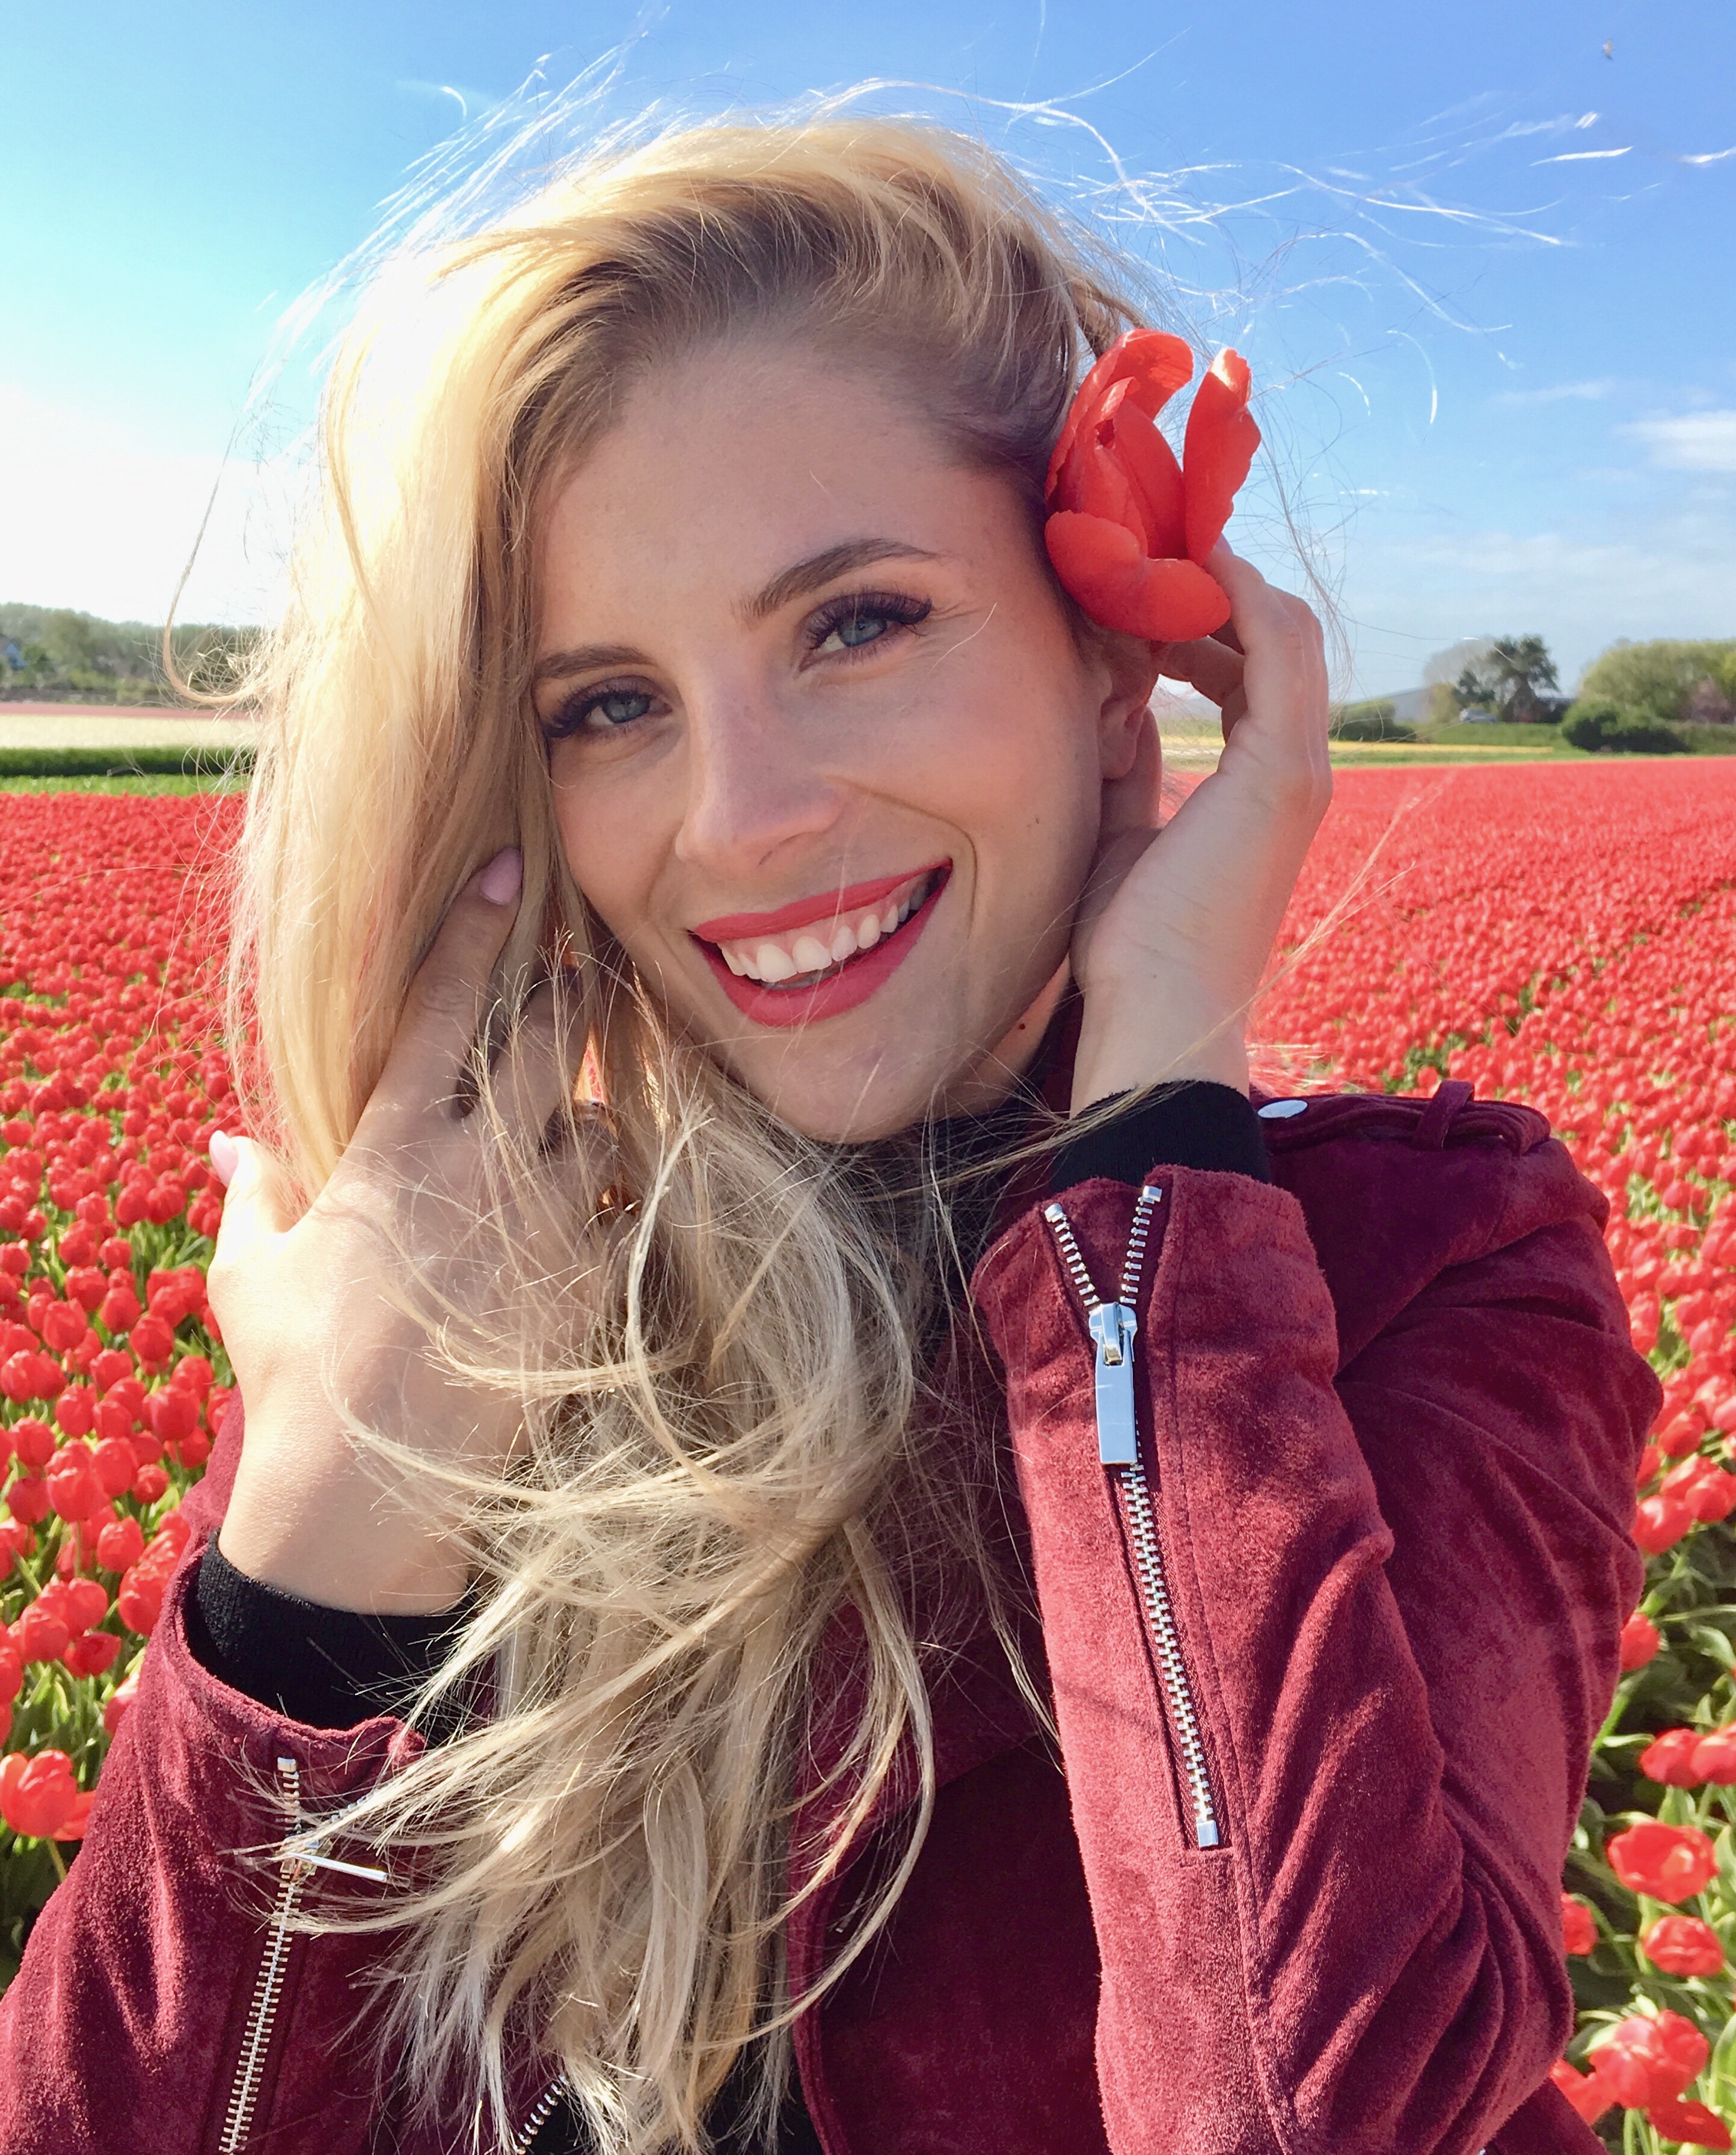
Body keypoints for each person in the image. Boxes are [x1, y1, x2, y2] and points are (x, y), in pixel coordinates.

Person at [0, 114, 1654, 2155]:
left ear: (1119, 657)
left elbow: (1298, 2109)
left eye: (859, 622)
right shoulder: (460, 1294)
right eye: (606, 705)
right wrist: (313, 1567)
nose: (744, 817)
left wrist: (1152, 1150)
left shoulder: (1420, 1269)